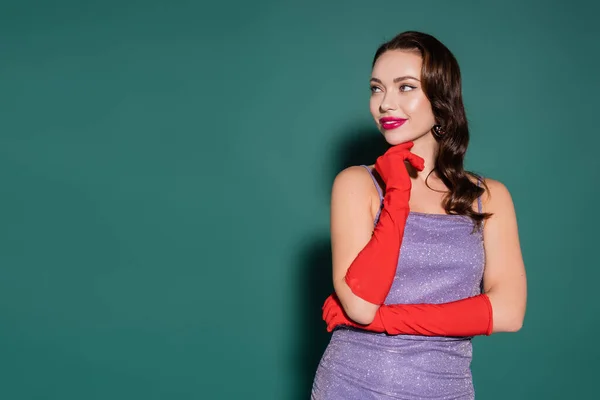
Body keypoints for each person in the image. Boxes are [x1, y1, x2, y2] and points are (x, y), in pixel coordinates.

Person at [310, 31, 527, 399]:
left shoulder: (488, 197)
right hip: (352, 385)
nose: (384, 103)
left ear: (441, 99)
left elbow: (508, 312)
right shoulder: (356, 184)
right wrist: (396, 192)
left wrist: (386, 320)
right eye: (376, 88)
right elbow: (361, 305)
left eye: (405, 87)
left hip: (446, 389)